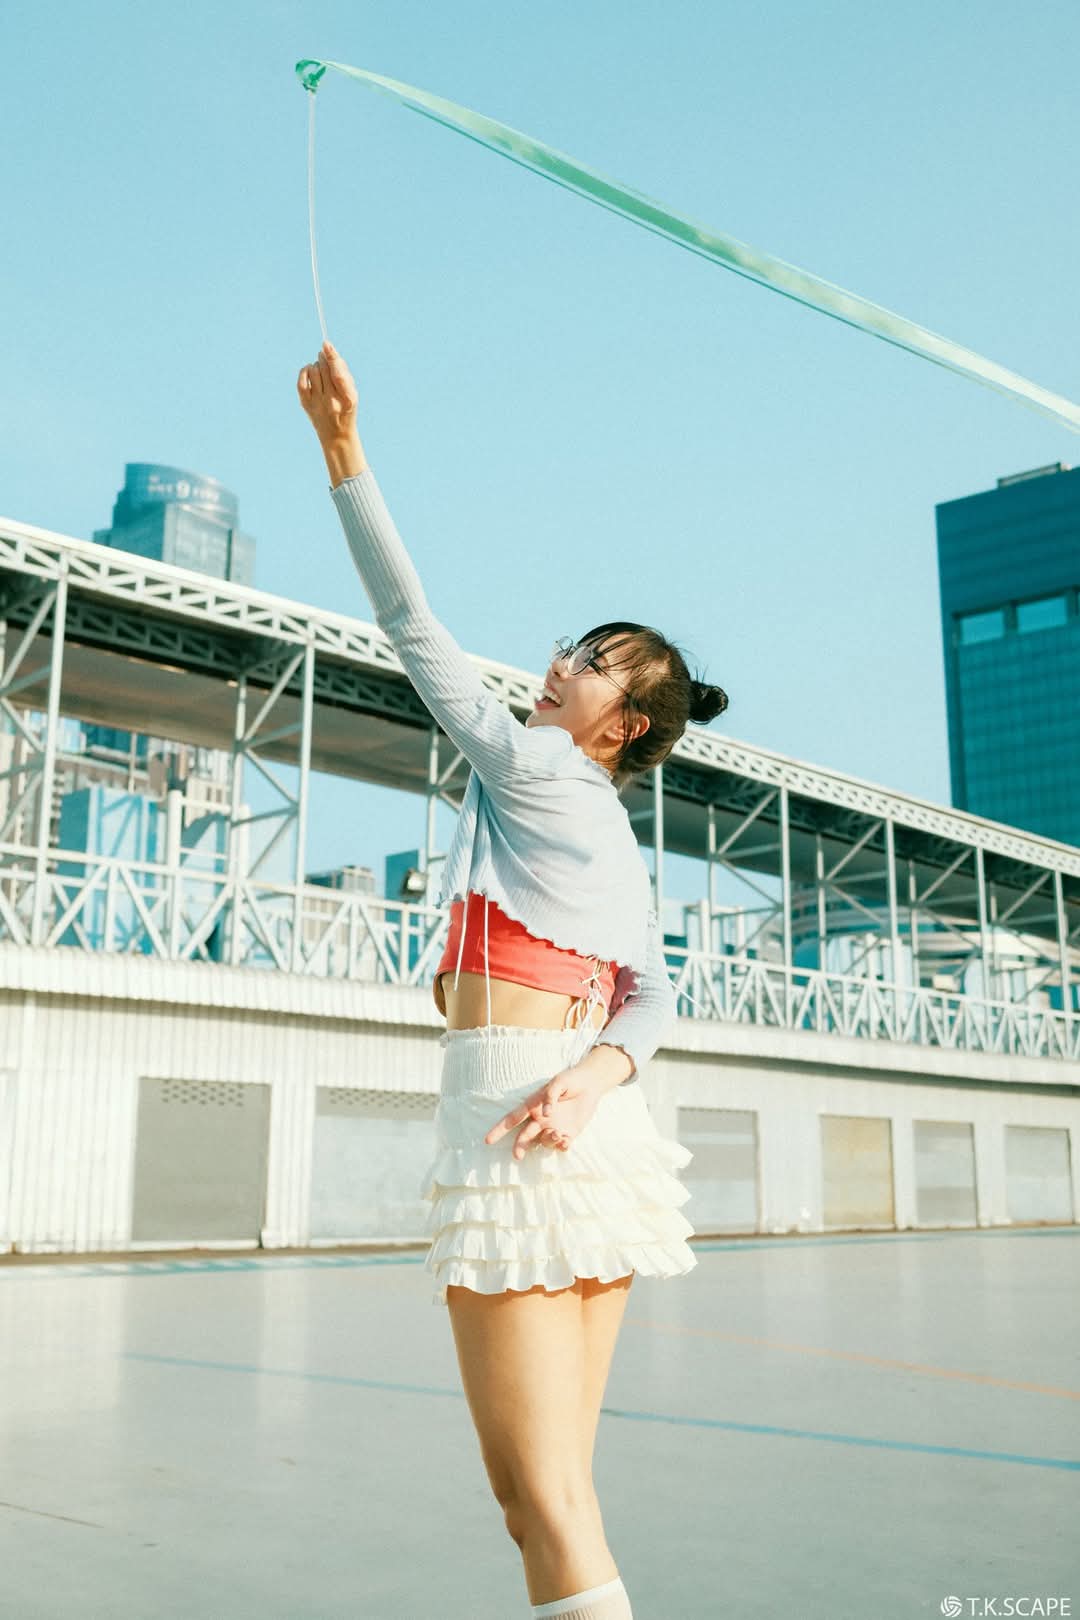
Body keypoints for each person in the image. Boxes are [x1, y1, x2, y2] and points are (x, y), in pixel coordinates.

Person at [297, 340, 728, 1620]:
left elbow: (411, 626)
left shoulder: (539, 770)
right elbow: (652, 996)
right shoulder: (613, 834)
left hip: (513, 1121)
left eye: (591, 665)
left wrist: (342, 454)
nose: (559, 667)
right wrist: (597, 1080)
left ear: (622, 725)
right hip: (579, 1120)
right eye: (572, 647)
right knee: (550, 1495)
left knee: (538, 1498)